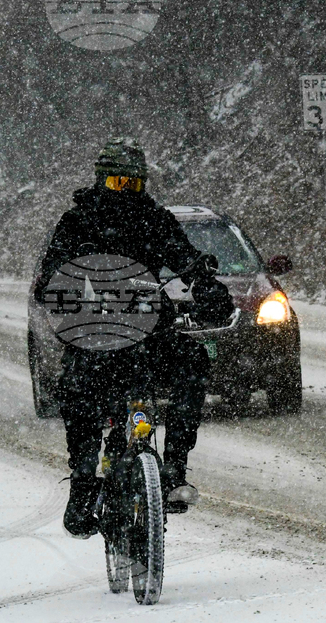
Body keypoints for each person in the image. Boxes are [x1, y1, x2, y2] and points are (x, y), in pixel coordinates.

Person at [34, 137, 234, 539]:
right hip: (96, 331)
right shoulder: (78, 221)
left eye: (134, 184)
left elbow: (185, 258)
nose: (125, 192)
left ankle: (174, 468)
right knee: (76, 387)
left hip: (149, 328)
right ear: (101, 180)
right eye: (117, 183)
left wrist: (205, 285)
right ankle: (83, 482)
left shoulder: (155, 219)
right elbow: (51, 271)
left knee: (193, 361)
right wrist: (61, 291)